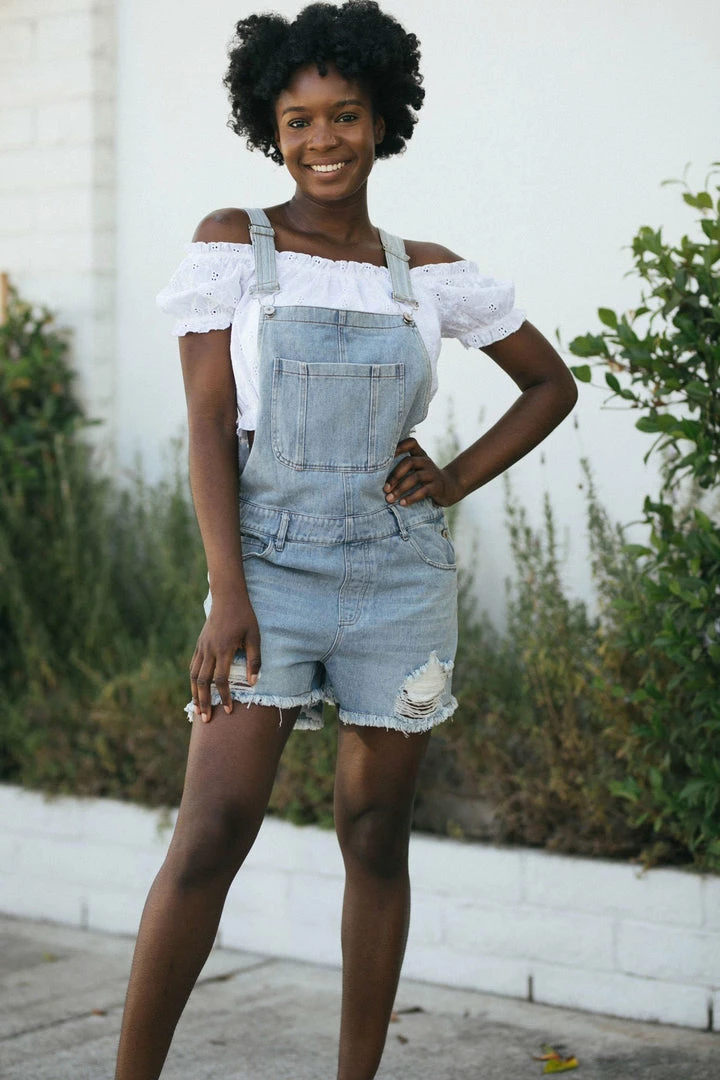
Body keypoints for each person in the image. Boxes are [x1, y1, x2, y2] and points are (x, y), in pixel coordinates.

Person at [115, 2, 577, 1077]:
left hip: (397, 583)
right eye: (299, 120)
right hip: (265, 574)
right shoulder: (233, 244)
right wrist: (226, 593)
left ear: (383, 121)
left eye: (345, 116)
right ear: (270, 129)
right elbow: (204, 426)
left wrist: (453, 476)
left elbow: (550, 383)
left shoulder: (428, 271)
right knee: (212, 834)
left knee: (374, 837)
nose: (323, 140)